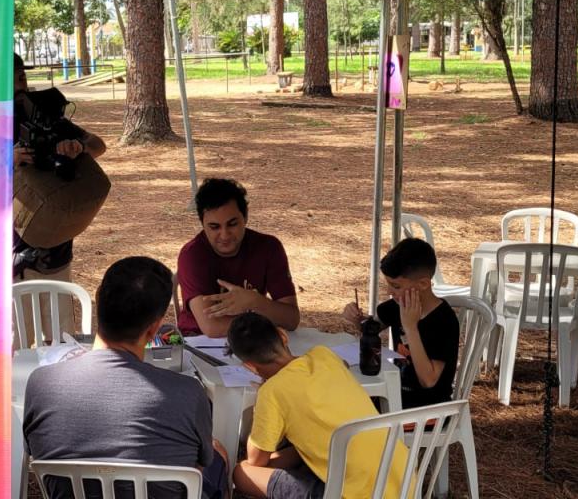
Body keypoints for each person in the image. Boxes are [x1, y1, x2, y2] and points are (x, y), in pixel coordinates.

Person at [22, 257, 227, 499]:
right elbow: (201, 463)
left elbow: (34, 451)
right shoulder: (189, 393)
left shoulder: (40, 384)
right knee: (218, 452)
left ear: (98, 300)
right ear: (153, 329)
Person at [227, 312, 408, 499]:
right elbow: (343, 364)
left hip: (347, 493)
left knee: (242, 472)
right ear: (283, 335)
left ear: (249, 366)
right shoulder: (323, 354)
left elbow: (256, 459)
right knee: (299, 451)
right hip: (404, 482)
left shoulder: (271, 392)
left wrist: (261, 403)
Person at [13, 53, 107, 340]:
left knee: (60, 336)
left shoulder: (47, 116)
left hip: (55, 248)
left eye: (22, 77)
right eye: (14, 79)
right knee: (19, 341)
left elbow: (98, 145)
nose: (21, 86)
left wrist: (76, 147)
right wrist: (7, 158)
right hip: (11, 254)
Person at [344, 238, 459, 410]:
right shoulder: (397, 306)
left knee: (348, 417)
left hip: (427, 410)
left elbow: (428, 380)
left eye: (396, 286)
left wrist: (411, 328)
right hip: (394, 397)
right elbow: (369, 328)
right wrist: (356, 319)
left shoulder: (443, 321)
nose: (390, 292)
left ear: (423, 284)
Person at [177, 178, 299, 338]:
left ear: (245, 218)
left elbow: (291, 319)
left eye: (232, 224)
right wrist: (261, 311)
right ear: (202, 224)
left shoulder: (269, 247)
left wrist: (255, 302)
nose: (224, 235)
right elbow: (213, 328)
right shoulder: (192, 255)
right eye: (214, 227)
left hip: (254, 341)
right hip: (199, 343)